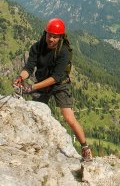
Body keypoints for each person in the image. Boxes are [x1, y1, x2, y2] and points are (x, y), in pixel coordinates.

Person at [12, 18, 93, 162]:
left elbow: (56, 77)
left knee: (69, 117)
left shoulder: (63, 52)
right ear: (45, 33)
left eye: (55, 36)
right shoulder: (37, 47)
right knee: (36, 113)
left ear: (61, 37)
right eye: (50, 35)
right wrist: (21, 77)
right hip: (43, 83)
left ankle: (85, 148)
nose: (52, 39)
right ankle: (35, 143)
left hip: (60, 84)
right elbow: (29, 68)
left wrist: (32, 87)